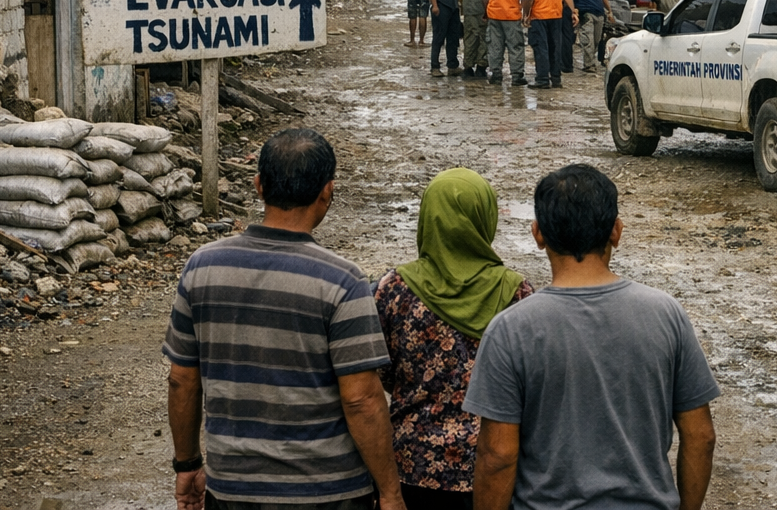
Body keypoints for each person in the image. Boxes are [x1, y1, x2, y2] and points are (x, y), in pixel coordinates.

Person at [164, 129, 406, 510]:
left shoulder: (202, 267)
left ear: (259, 185)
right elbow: (361, 399)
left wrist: (187, 463)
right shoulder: (343, 282)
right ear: (327, 192)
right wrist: (390, 492)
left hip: (232, 489)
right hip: (328, 494)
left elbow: (182, 380)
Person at [464, 164, 719, 510]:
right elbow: (701, 436)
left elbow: (497, 454)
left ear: (538, 234)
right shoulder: (666, 314)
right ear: (616, 231)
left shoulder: (510, 330)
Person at [374, 168, 534, 510]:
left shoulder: (394, 289)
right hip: (492, 471)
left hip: (411, 469)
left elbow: (379, 373)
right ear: (485, 218)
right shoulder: (515, 293)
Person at [518, 0, 576, 90]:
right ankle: (556, 79)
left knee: (540, 47)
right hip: (556, 16)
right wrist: (573, 12)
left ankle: (542, 79)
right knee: (555, 47)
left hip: (539, 16)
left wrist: (526, 14)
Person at [480, 0, 525, 86]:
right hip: (512, 16)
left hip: (494, 15)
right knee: (515, 46)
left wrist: (487, 11)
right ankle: (516, 76)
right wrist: (524, 14)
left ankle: (496, 74)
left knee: (495, 45)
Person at [572, 0, 613, 74]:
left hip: (599, 14)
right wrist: (575, 13)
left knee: (596, 40)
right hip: (586, 15)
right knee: (587, 40)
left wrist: (610, 12)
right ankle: (589, 65)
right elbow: (573, 0)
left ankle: (591, 61)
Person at [558, 0, 582, 74]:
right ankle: (568, 65)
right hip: (573, 9)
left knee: (557, 36)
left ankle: (559, 63)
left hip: (558, 8)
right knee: (568, 37)